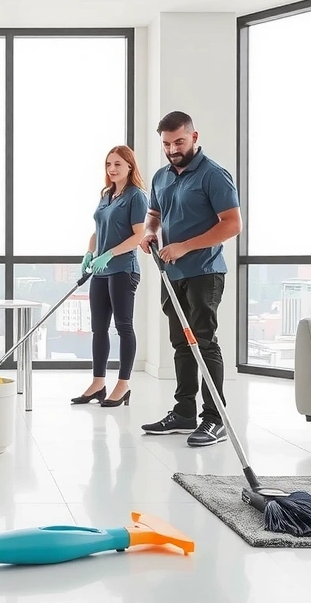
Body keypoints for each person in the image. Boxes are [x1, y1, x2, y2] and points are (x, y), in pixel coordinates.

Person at [139, 111, 242, 447]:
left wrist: (184, 246)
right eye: (167, 144)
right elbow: (154, 215)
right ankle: (184, 413)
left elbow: (232, 224)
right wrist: (150, 233)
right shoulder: (161, 177)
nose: (173, 149)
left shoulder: (214, 175)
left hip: (205, 272)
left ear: (194, 137)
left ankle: (215, 419)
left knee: (203, 343)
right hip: (171, 274)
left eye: (179, 142)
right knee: (181, 345)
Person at [72, 145, 148, 408]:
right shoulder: (106, 195)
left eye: (117, 164)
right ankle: (98, 384)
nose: (112, 169)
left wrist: (110, 254)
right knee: (98, 328)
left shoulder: (136, 196)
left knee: (123, 327)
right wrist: (90, 252)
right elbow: (98, 229)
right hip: (101, 272)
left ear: (129, 166)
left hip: (123, 270)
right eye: (108, 164)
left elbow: (138, 236)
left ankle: (123, 385)